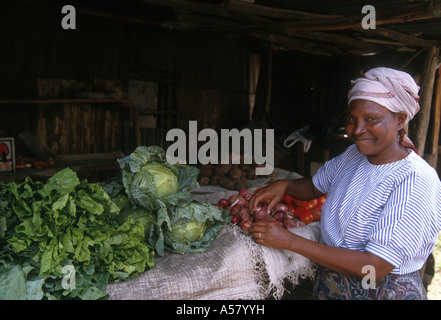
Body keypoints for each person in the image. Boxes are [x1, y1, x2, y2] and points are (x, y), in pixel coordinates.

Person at [249, 67, 441, 300]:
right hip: (332, 285)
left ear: (400, 120)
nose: (357, 130)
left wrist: (289, 241)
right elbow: (314, 187)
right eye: (352, 119)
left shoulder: (415, 179)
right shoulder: (353, 156)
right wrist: (284, 186)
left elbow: (375, 267)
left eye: (371, 119)